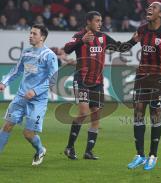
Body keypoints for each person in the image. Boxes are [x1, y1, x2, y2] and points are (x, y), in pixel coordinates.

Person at [63, 11, 131, 160]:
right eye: (97, 21)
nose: (100, 23)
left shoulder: (104, 37)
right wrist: (81, 41)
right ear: (88, 22)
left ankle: (88, 151)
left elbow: (121, 48)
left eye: (101, 21)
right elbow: (66, 49)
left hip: (97, 83)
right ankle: (69, 147)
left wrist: (135, 40)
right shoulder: (79, 35)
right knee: (83, 113)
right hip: (82, 81)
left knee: (96, 117)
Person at [127, 2, 161, 170]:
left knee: (155, 113)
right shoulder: (142, 30)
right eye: (148, 7)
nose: (149, 9)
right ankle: (139, 155)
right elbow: (127, 45)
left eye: (154, 8)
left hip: (159, 76)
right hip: (142, 75)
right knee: (138, 112)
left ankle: (153, 155)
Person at [0, 24, 58, 166]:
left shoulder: (49, 56)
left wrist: (35, 91)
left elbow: (53, 79)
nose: (30, 35)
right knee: (7, 126)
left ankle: (40, 149)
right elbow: (16, 70)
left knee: (28, 133)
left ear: (42, 37)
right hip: (20, 97)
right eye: (30, 33)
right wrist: (4, 82)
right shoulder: (26, 53)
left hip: (38, 101)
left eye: (34, 34)